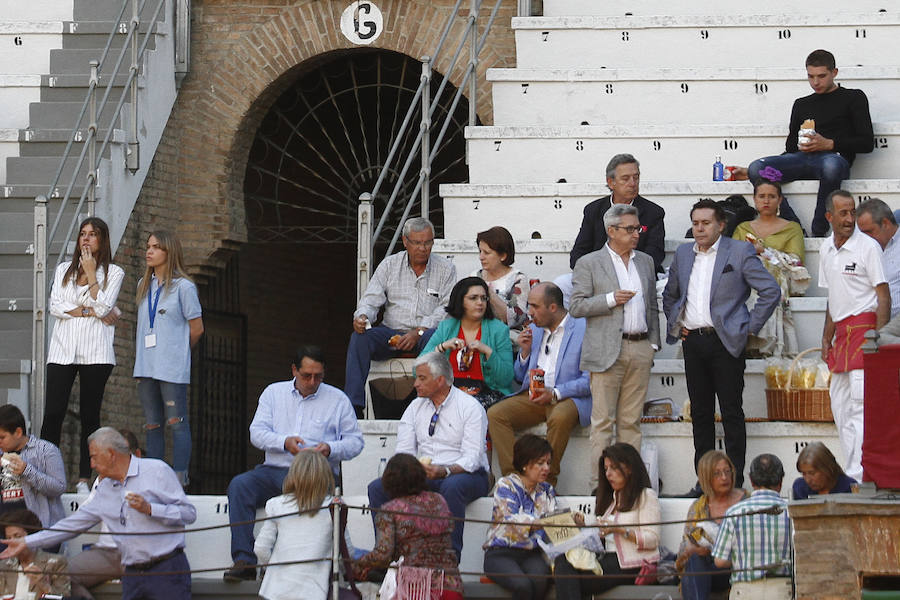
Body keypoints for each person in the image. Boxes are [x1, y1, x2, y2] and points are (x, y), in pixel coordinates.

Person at [663, 199, 780, 490]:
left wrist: (748, 328)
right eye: (695, 223)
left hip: (726, 341)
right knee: (700, 414)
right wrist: (678, 324)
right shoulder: (682, 253)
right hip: (693, 341)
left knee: (731, 412)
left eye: (706, 223)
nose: (699, 229)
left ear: (721, 225)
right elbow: (670, 295)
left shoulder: (739, 250)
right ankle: (704, 481)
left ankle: (736, 480)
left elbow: (770, 290)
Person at [0, 427, 197, 600]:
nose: (91, 464)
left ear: (111, 454)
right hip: (132, 571)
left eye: (94, 456)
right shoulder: (104, 489)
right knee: (61, 573)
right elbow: (71, 526)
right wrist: (26, 542)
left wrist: (151, 509)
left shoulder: (157, 471)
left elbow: (189, 514)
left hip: (166, 568)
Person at [224, 345, 363, 582]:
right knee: (239, 485)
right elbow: (256, 433)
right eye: (306, 375)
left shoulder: (337, 399)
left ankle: (324, 565)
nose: (312, 381)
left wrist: (329, 448)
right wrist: (283, 442)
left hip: (318, 474)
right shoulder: (273, 393)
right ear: (294, 371)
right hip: (275, 470)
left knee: (323, 497)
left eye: (318, 376)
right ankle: (244, 560)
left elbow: (356, 443)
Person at [570, 203, 660, 487]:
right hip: (607, 348)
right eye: (630, 229)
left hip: (641, 346)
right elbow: (576, 306)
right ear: (611, 231)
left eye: (638, 228)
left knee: (632, 423)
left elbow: (652, 306)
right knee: (603, 424)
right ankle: (601, 485)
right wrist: (610, 299)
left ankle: (630, 484)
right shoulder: (589, 262)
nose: (636, 234)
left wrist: (653, 344)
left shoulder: (645, 261)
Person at [367, 352, 491, 558]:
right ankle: (387, 554)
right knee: (378, 487)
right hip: (425, 473)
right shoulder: (414, 407)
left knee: (452, 486)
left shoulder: (470, 407)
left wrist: (444, 471)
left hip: (468, 475)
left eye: (422, 378)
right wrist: (411, 470)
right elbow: (404, 452)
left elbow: (472, 458)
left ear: (440, 380)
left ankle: (448, 559)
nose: (415, 384)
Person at [748, 49, 874, 237]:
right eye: (811, 76)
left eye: (822, 76)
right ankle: (794, 225)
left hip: (834, 158)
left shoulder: (853, 97)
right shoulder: (801, 103)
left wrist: (829, 144)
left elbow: (866, 143)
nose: (816, 82)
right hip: (801, 159)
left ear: (834, 73)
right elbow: (790, 147)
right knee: (756, 168)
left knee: (831, 165)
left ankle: (819, 229)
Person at [42, 216, 124, 493]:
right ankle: (46, 472)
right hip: (62, 350)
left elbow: (104, 308)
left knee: (90, 415)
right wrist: (88, 309)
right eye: (83, 233)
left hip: (96, 352)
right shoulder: (64, 268)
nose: (86, 238)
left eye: (93, 234)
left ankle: (84, 478)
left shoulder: (114, 272)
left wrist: (91, 274)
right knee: (53, 413)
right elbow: (55, 305)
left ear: (102, 240)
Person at [346, 216, 457, 409]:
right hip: (391, 332)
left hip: (426, 333)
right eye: (417, 243)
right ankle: (353, 408)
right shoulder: (389, 265)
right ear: (405, 241)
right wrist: (362, 316)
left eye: (428, 242)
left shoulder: (446, 268)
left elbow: (447, 309)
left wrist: (419, 331)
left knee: (436, 337)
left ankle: (425, 404)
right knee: (360, 338)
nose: (423, 248)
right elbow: (371, 299)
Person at [487, 282, 590, 487]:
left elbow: (590, 380)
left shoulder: (584, 328)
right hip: (534, 395)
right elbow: (518, 376)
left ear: (553, 307)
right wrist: (524, 353)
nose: (530, 312)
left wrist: (555, 393)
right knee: (495, 414)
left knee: (560, 417)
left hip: (567, 396)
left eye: (534, 306)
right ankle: (515, 479)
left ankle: (546, 483)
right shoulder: (534, 328)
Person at [819, 190, 890, 482]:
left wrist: (879, 339)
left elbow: (883, 296)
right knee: (841, 409)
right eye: (843, 214)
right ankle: (850, 473)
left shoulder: (868, 247)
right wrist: (826, 338)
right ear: (829, 217)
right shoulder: (825, 248)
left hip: (864, 331)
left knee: (861, 410)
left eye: (852, 212)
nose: (849, 219)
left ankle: (860, 475)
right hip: (841, 337)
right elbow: (832, 297)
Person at [133, 229, 204, 487]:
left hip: (171, 367)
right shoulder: (143, 285)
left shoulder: (184, 287)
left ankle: (179, 478)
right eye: (148, 246)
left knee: (177, 423)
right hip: (145, 365)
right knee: (153, 424)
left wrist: (179, 351)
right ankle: (154, 478)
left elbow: (197, 328)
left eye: (156, 247)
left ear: (169, 251)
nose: (149, 251)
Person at [553, 443, 660, 599]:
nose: (608, 474)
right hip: (607, 560)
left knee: (567, 579)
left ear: (629, 468)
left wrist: (620, 530)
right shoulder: (613, 499)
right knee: (563, 561)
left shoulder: (646, 495)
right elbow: (604, 531)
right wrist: (583, 527)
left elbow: (653, 540)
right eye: (606, 469)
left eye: (614, 468)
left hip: (632, 564)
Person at [355, 453, 462, 600]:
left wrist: (358, 564)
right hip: (451, 586)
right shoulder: (439, 500)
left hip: (416, 590)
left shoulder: (389, 510)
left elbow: (383, 554)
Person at [732, 177, 806, 357]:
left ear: (780, 200)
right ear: (754, 199)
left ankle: (763, 339)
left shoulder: (792, 228)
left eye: (772, 196)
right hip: (747, 278)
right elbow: (732, 258)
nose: (766, 201)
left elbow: (795, 261)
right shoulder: (743, 227)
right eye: (762, 196)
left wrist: (765, 252)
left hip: (777, 278)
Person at [67, 428, 143, 600]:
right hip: (107, 552)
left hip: (140, 553)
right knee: (60, 574)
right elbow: (83, 517)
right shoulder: (104, 480)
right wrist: (100, 487)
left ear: (136, 454)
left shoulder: (151, 474)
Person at [421, 276, 515, 408]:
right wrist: (441, 348)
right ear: (460, 301)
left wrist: (488, 352)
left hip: (487, 393)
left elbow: (506, 378)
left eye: (484, 298)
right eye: (473, 298)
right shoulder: (446, 327)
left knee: (465, 408)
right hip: (449, 392)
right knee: (421, 407)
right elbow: (418, 370)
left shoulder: (499, 330)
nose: (480, 302)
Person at [483, 435, 557, 600]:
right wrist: (538, 523)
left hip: (532, 553)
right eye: (540, 463)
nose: (546, 468)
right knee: (522, 585)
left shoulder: (547, 490)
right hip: (500, 553)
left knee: (540, 581)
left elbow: (553, 520)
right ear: (525, 464)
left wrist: (571, 521)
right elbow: (508, 517)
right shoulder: (506, 485)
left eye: (548, 463)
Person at [255, 451, 336, 600]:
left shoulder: (276, 504)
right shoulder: (334, 507)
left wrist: (275, 566)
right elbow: (346, 552)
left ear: (293, 474)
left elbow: (261, 548)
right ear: (325, 476)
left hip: (275, 591)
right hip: (314, 591)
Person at [712, 454, 793, 600]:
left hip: (744, 590)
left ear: (751, 480)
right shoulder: (792, 513)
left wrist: (743, 557)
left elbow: (720, 560)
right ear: (781, 481)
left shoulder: (734, 512)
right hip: (782, 589)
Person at [570, 153, 665, 273]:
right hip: (598, 275)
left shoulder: (653, 212)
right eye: (625, 179)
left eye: (636, 177)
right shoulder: (593, 210)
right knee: (560, 283)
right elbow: (578, 254)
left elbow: (654, 255)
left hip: (635, 273)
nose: (632, 183)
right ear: (610, 182)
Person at [675, 450, 749, 600]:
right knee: (695, 560)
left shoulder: (746, 501)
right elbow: (684, 548)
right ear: (706, 478)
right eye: (717, 474)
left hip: (737, 567)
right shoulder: (699, 507)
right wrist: (694, 550)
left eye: (727, 472)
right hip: (709, 571)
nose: (724, 478)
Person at [0, 405, 65, 529]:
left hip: (38, 529)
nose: (0, 442)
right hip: (4, 528)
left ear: (18, 432)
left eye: (2, 437)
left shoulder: (46, 450)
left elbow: (59, 488)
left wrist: (27, 470)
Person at [472, 226, 531, 344]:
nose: (481, 257)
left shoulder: (517, 279)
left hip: (506, 339)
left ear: (503, 256)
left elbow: (515, 319)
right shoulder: (474, 276)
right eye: (480, 251)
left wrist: (488, 293)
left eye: (487, 253)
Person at [0, 508, 70, 598]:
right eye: (8, 538)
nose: (12, 542)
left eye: (17, 536)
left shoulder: (56, 563)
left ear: (33, 537)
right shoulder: (3, 566)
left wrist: (44, 585)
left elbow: (65, 597)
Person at [856, 198, 900, 318]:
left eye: (869, 232)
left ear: (885, 223)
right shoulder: (863, 248)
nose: (866, 238)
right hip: (867, 321)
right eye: (862, 234)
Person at [793, 441, 858, 500]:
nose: (808, 480)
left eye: (812, 473)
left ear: (827, 469)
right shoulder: (800, 488)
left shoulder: (851, 487)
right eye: (803, 473)